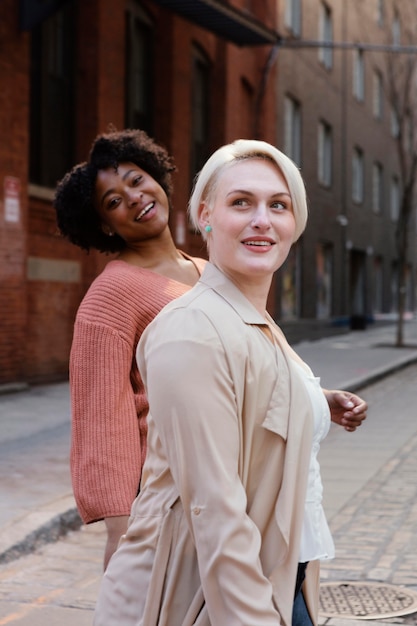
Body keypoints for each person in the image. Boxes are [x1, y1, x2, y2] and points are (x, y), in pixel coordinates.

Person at [93, 139, 368, 625]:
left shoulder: (251, 319)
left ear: (294, 224)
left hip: (281, 576)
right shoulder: (192, 331)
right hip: (203, 592)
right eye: (241, 202)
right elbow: (214, 512)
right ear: (205, 216)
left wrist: (318, 401)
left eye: (278, 205)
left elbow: (254, 395)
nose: (262, 219)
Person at [53, 128, 206, 569]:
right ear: (103, 224)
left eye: (136, 180)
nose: (134, 197)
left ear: (156, 177)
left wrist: (317, 399)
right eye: (114, 201)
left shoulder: (211, 270)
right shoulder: (111, 295)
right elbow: (100, 415)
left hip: (234, 474)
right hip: (168, 491)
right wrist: (121, 529)